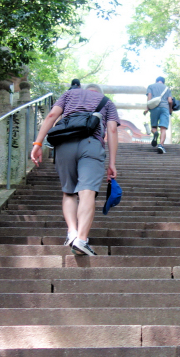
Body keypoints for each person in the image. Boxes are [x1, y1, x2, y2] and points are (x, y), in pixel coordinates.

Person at [31, 83, 119, 256]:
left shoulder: (69, 95)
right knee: (87, 192)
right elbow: (113, 130)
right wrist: (112, 163)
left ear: (85, 90)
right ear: (99, 93)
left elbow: (51, 115)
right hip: (91, 144)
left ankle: (72, 232)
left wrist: (38, 143)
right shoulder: (107, 102)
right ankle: (81, 240)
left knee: (69, 192)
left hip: (64, 144)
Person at [145, 75, 173, 153]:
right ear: (163, 82)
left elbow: (149, 98)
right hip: (165, 108)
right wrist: (170, 110)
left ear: (156, 81)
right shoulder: (167, 88)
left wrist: (147, 108)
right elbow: (170, 101)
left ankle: (155, 133)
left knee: (154, 127)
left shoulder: (151, 86)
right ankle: (161, 145)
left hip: (154, 108)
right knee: (163, 128)